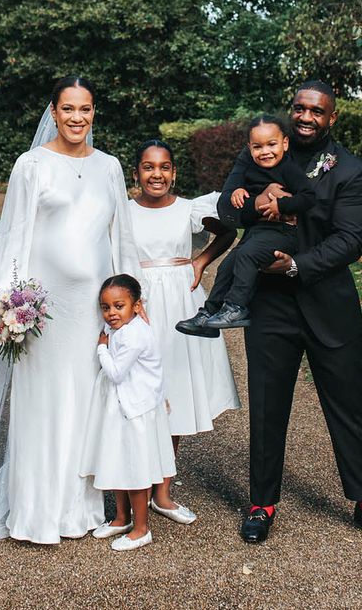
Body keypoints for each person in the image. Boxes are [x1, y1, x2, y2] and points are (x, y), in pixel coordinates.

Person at [0, 76, 142, 544]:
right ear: (53, 112)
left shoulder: (110, 167)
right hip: (40, 309)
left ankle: (80, 507)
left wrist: (135, 300)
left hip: (93, 309)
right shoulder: (31, 165)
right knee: (41, 403)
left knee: (86, 399)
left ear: (95, 114)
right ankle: (35, 511)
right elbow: (14, 235)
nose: (77, 118)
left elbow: (122, 238)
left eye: (86, 109)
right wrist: (5, 304)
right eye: (69, 109)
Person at [218, 81, 362, 552]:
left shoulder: (350, 169)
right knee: (267, 405)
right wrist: (254, 203)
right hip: (271, 305)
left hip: (328, 302)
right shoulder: (262, 154)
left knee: (349, 405)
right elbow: (228, 210)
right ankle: (262, 504)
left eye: (316, 111)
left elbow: (351, 239)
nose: (306, 117)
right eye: (299, 109)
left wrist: (298, 265)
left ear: (331, 118)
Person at [128, 139, 240, 522]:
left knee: (173, 386)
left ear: (174, 173)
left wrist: (200, 262)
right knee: (137, 389)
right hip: (139, 301)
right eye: (148, 167)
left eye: (164, 167)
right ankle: (130, 488)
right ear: (136, 173)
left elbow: (227, 233)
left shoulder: (190, 210)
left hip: (179, 297)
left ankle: (162, 490)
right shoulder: (124, 212)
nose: (156, 174)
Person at [175, 116, 316, 332]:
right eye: (258, 147)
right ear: (249, 148)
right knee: (227, 266)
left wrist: (282, 205)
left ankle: (236, 307)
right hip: (257, 233)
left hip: (283, 233)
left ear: (285, 143)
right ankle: (208, 313)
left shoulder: (289, 169)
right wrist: (240, 191)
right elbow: (235, 193)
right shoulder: (250, 166)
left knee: (246, 255)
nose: (265, 151)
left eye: (272, 144)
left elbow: (308, 197)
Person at [80, 274, 175, 551]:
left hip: (135, 410)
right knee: (118, 461)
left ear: (136, 305)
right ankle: (121, 517)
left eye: (118, 306)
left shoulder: (135, 335)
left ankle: (141, 528)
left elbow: (117, 372)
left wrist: (101, 348)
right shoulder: (122, 328)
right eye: (105, 307)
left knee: (135, 469)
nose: (111, 313)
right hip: (119, 406)